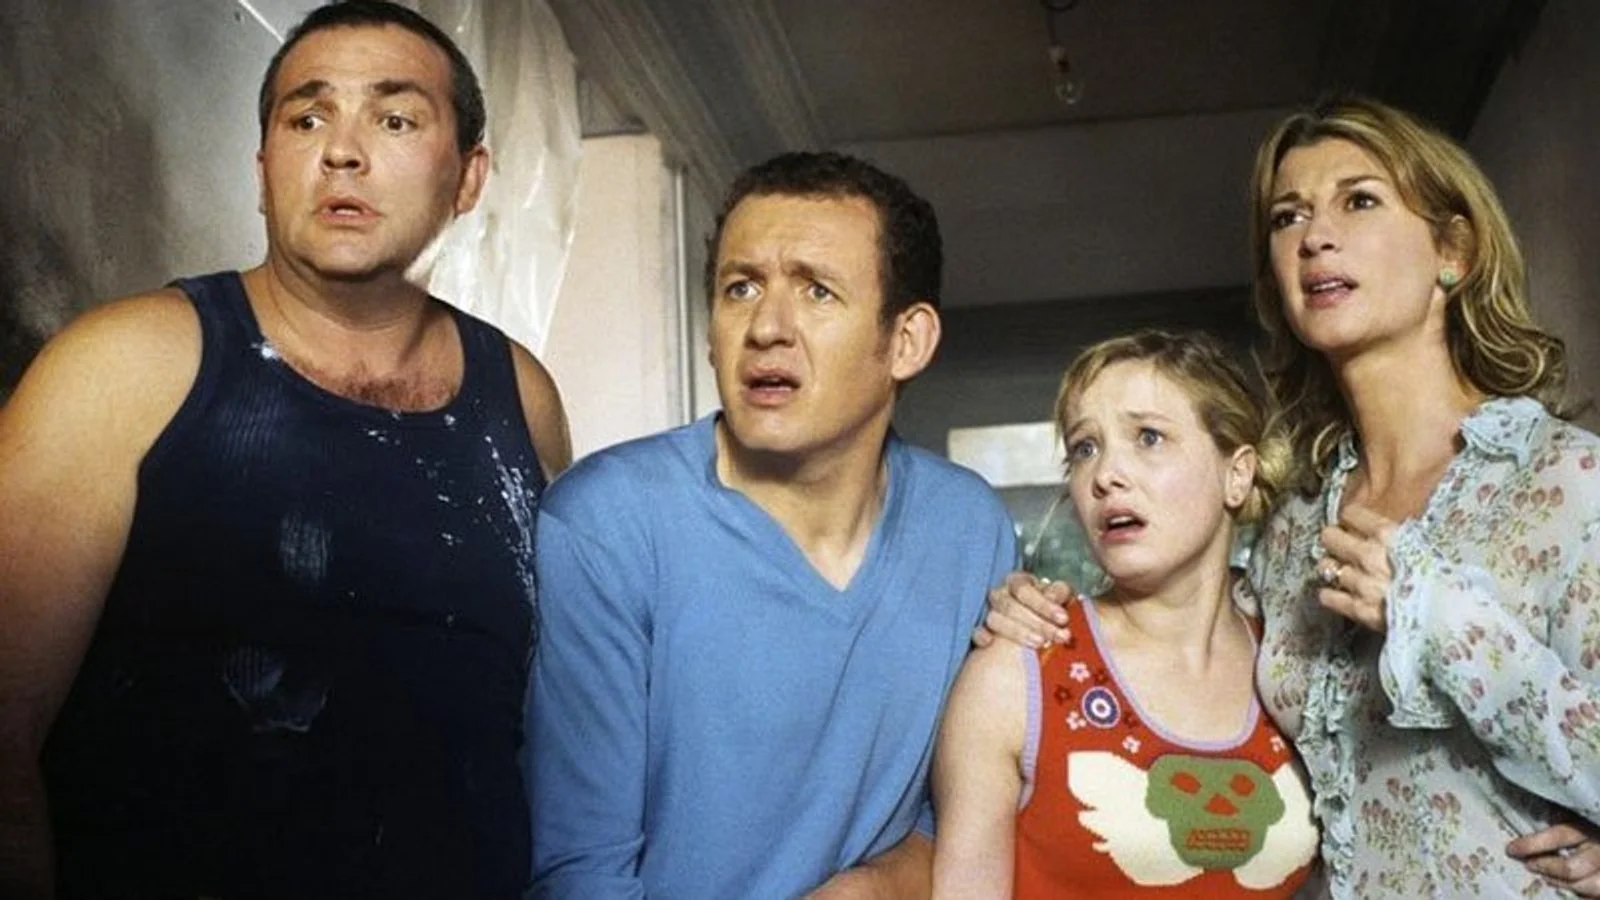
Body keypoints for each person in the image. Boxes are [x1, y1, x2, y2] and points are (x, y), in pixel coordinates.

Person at [0, 2, 570, 898]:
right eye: (307, 118)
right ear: (264, 170)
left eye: (394, 119)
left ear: (468, 177)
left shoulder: (521, 396)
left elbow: (548, 722)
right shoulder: (128, 363)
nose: (342, 151)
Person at [980, 95, 1600, 897]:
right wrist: (1045, 616)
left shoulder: (1563, 482)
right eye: (1288, 217)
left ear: (1453, 250)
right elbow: (1186, 627)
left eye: (1359, 200)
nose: (1315, 237)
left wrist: (1434, 617)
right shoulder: (1296, 522)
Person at [524, 151, 1017, 899]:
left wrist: (878, 887)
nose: (767, 328)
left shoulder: (969, 528)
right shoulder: (608, 522)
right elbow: (580, 872)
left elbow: (973, 811)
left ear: (906, 341)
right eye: (741, 288)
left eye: (817, 291)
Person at [931, 330, 1318, 898]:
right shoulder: (1016, 671)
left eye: (1149, 437)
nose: (1105, 474)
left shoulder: (1293, 667)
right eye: (1085, 448)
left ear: (1237, 473)